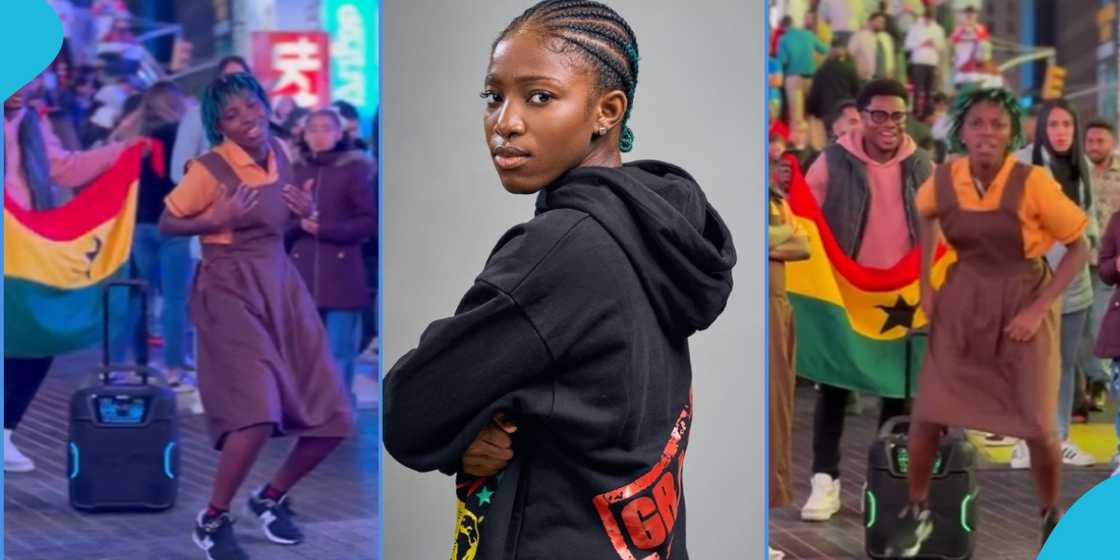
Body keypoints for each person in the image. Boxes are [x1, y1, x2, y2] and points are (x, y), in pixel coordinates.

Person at [382, 2, 736, 558]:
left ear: (607, 110)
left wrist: (465, 427)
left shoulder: (559, 252)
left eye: (539, 96)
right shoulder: (653, 231)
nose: (506, 122)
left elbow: (410, 410)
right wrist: (473, 430)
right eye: (493, 96)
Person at [158, 73, 353, 559]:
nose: (247, 120)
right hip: (227, 290)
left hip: (282, 287)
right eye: (231, 115)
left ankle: (270, 497)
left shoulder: (283, 153)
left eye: (251, 107)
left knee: (334, 418)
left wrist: (305, 210)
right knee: (255, 414)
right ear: (217, 125)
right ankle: (212, 518)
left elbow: (284, 223)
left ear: (266, 104)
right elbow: (167, 222)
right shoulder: (208, 168)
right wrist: (213, 220)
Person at [889, 87, 1088, 556]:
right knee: (928, 414)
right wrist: (926, 286)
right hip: (962, 304)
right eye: (977, 123)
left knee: (1039, 424)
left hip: (1022, 302)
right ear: (962, 130)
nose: (987, 133)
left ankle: (1049, 513)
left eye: (998, 125)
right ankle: (915, 510)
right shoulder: (943, 180)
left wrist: (1039, 309)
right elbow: (927, 219)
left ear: (1012, 133)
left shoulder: (1033, 182)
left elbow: (1079, 247)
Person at [799, 79, 931, 522]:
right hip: (845, 293)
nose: (888, 124)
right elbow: (806, 221)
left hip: (903, 297)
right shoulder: (831, 162)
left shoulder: (923, 165)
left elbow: (940, 227)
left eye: (897, 115)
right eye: (879, 115)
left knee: (899, 394)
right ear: (861, 116)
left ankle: (885, 481)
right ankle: (825, 480)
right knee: (833, 388)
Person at [3, 73, 141, 473]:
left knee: (37, 336)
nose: (19, 89)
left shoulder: (31, 121)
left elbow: (66, 169)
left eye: (24, 82)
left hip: (27, 243)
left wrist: (122, 151)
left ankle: (5, 431)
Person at [1009, 99, 1099, 468]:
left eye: (1067, 125)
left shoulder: (1084, 166)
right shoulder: (1021, 165)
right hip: (1031, 285)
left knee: (1062, 364)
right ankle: (1021, 441)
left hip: (1076, 285)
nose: (1061, 132)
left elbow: (1089, 219)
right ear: (1042, 127)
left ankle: (1058, 437)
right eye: (1054, 124)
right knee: (1030, 364)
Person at [103, 81, 196, 391]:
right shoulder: (182, 134)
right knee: (175, 299)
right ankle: (173, 368)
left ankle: (113, 364)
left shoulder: (134, 141)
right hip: (176, 224)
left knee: (134, 297)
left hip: (140, 226)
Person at [289, 108, 375, 406]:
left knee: (339, 350)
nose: (320, 134)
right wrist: (298, 225)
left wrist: (325, 229)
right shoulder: (296, 170)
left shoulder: (355, 169)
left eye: (327, 128)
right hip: (301, 274)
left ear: (339, 134)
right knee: (304, 350)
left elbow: (367, 222)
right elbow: (281, 222)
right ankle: (307, 408)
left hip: (341, 274)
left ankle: (337, 408)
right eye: (314, 128)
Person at [768, 153, 810, 560]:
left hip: (780, 313)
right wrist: (780, 237)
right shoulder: (769, 206)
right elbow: (789, 240)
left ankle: (766, 525)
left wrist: (771, 237)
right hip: (767, 314)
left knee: (779, 418)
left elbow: (805, 244)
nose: (781, 170)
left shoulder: (778, 203)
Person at [1085, 119, 1120, 414]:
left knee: (1098, 323)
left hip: (1107, 264)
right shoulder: (1077, 171)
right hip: (1077, 260)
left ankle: (1099, 382)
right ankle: (1086, 383)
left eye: (1100, 141)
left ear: (1112, 142)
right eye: (1091, 141)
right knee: (1078, 330)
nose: (1095, 146)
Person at [806, 37, 860, 149]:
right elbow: (856, 90)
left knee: (831, 141)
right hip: (845, 110)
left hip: (827, 111)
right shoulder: (850, 68)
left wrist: (812, 111)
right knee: (847, 142)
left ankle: (832, 163)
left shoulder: (822, 69)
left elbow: (815, 92)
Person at [776, 15, 829, 128]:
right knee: (811, 113)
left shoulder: (784, 39)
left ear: (783, 27)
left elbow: (782, 61)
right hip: (811, 78)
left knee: (796, 115)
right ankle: (812, 142)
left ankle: (798, 143)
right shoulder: (808, 35)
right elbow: (825, 50)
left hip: (793, 78)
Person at [904, 9, 946, 119]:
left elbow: (942, 47)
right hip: (918, 61)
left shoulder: (938, 29)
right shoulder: (915, 28)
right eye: (927, 17)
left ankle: (928, 113)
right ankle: (916, 112)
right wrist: (921, 43)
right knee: (918, 88)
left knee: (930, 89)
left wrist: (935, 44)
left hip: (932, 62)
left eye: (931, 17)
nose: (929, 20)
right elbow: (908, 45)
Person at [848, 12, 895, 84]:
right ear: (870, 21)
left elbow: (890, 57)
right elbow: (850, 54)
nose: (881, 24)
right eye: (878, 21)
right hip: (866, 78)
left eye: (883, 22)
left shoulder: (886, 38)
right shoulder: (859, 36)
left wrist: (890, 71)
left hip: (885, 78)